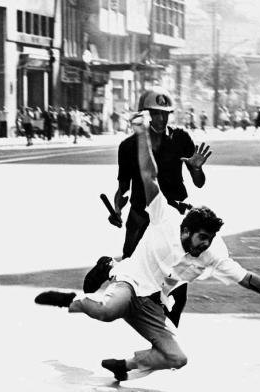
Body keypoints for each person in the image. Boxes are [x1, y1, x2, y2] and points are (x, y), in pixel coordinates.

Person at [34, 116, 260, 382]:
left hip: (154, 301)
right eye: (202, 238)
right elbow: (149, 174)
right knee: (107, 311)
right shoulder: (165, 216)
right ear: (185, 231)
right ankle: (73, 297)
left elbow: (246, 278)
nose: (205, 244)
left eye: (209, 239)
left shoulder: (211, 252)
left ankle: (124, 366)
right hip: (131, 283)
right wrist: (141, 135)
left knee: (177, 358)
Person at [83, 87, 210, 327]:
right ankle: (108, 266)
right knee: (132, 272)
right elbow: (123, 187)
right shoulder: (129, 146)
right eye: (155, 113)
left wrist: (196, 168)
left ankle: (168, 334)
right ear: (145, 114)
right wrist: (118, 209)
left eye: (165, 114)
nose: (161, 119)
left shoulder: (181, 139)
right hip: (142, 214)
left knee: (177, 283)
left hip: (174, 218)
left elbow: (200, 183)